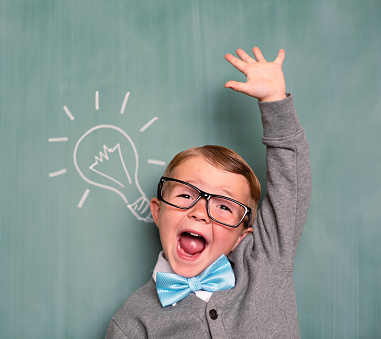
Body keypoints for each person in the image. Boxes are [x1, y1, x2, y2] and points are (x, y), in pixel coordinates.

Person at [105, 47, 312, 338]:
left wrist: (274, 100)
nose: (200, 212)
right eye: (186, 195)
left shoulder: (265, 259)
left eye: (224, 206)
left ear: (243, 235)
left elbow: (291, 185)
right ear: (157, 210)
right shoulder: (132, 323)